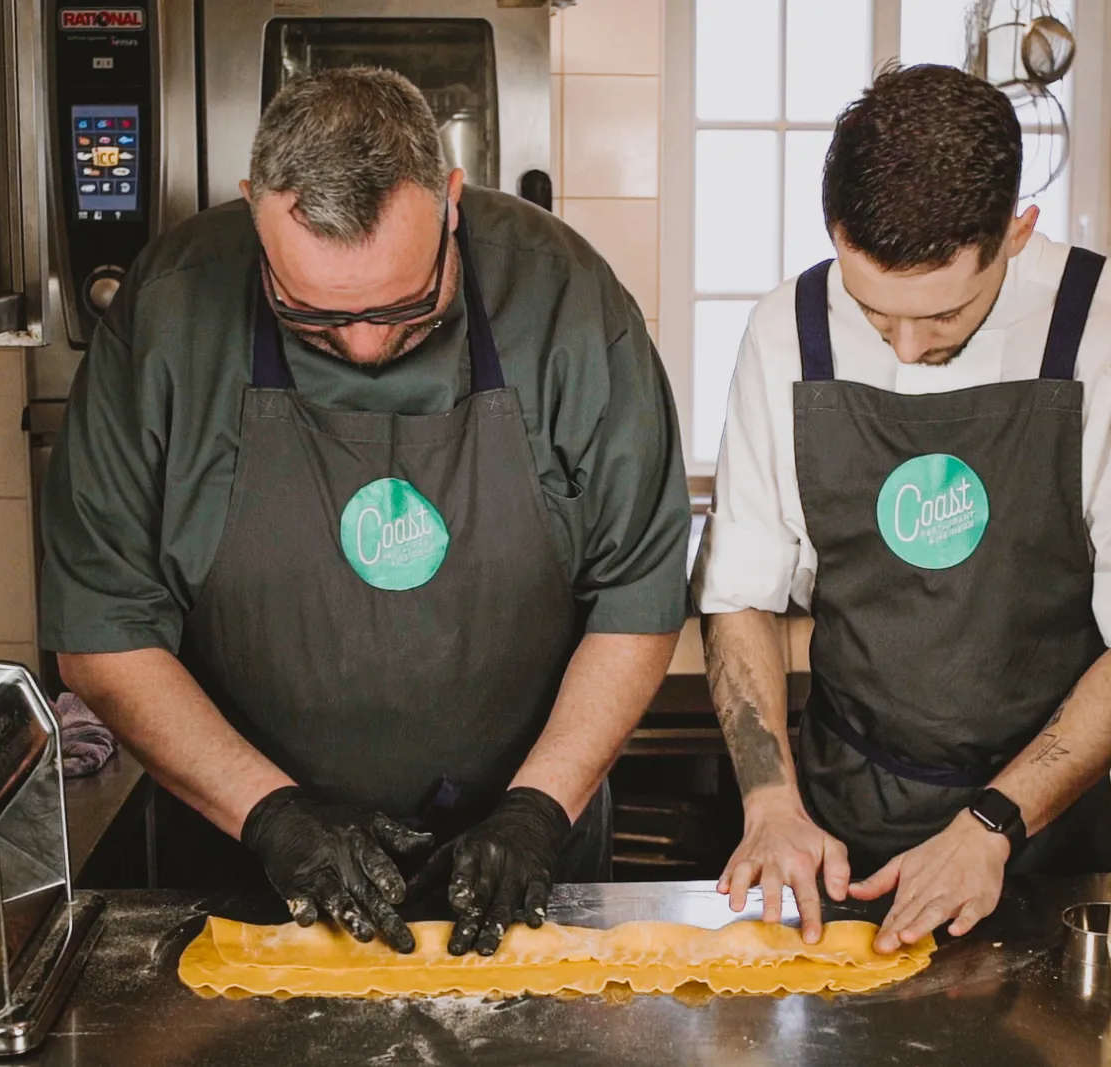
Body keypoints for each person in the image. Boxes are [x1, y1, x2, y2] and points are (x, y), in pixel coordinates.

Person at [40, 67, 689, 957]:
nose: (365, 344)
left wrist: (538, 809)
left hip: (521, 870)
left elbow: (637, 598)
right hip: (242, 877)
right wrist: (272, 818)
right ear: (253, 211)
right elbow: (102, 631)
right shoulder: (167, 313)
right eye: (312, 319)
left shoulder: (570, 303)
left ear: (451, 201)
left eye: (404, 306)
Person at [692, 65, 1111, 954]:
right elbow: (741, 594)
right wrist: (768, 799)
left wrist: (990, 826)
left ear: (1016, 233)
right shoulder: (787, 329)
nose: (906, 346)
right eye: (873, 310)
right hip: (844, 837)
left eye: (942, 315)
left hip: (1062, 845)